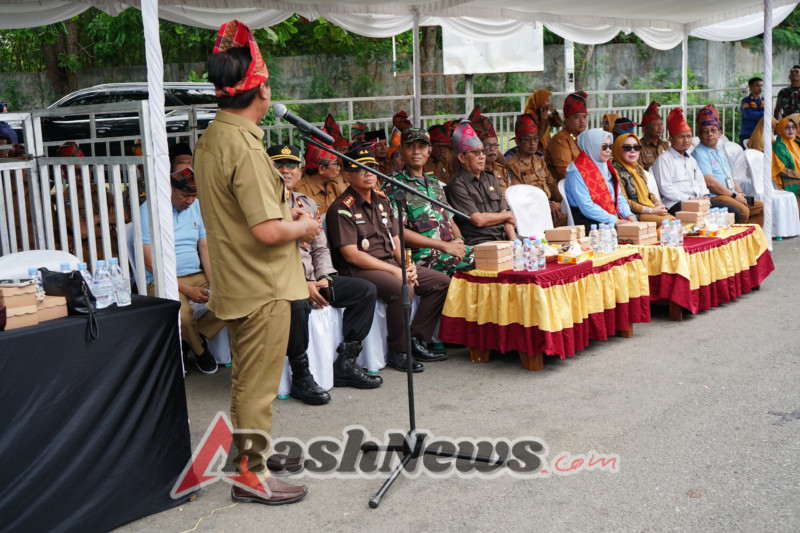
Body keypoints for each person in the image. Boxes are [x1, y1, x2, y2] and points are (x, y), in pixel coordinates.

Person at [193, 19, 321, 505]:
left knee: (248, 379)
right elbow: (267, 232)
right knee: (259, 386)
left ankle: (251, 456)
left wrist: (281, 214)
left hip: (238, 279)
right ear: (261, 90)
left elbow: (239, 212)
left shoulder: (213, 138)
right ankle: (251, 475)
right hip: (263, 283)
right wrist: (304, 227)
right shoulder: (245, 145)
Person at [268, 143, 382, 404]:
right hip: (283, 283)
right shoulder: (265, 208)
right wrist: (301, 283)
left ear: (300, 173)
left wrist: (325, 277)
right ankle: (301, 375)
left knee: (365, 291)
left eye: (291, 165)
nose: (285, 170)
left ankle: (346, 363)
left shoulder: (306, 203)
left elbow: (320, 248)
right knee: (297, 306)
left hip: (313, 278)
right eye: (278, 164)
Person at [326, 145, 451, 373]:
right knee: (402, 287)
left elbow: (395, 241)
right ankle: (398, 351)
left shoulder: (382, 200)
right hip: (360, 270)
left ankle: (415, 339)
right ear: (347, 175)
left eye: (371, 168)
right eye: (360, 169)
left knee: (440, 283)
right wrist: (396, 272)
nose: (368, 173)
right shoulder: (341, 208)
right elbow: (351, 255)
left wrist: (407, 265)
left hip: (390, 264)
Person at [140, 163, 222, 374]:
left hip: (197, 274)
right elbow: (150, 263)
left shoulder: (196, 206)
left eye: (194, 195)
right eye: (186, 195)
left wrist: (215, 283)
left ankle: (194, 335)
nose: (190, 200)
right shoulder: (149, 211)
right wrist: (188, 290)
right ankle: (201, 351)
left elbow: (205, 249)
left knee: (234, 296)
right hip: (162, 279)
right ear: (170, 188)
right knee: (183, 315)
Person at [382, 128, 474, 276]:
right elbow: (398, 232)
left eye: (422, 147)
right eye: (410, 146)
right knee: (472, 267)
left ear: (429, 151)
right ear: (401, 150)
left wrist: (458, 240)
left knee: (492, 258)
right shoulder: (394, 187)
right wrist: (444, 246)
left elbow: (449, 218)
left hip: (450, 249)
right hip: (423, 256)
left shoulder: (434, 183)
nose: (416, 151)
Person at [445, 121, 517, 245]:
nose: (482, 156)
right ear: (462, 158)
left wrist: (514, 243)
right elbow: (477, 219)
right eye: (476, 152)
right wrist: (508, 215)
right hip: (480, 242)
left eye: (483, 151)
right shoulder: (457, 184)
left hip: (503, 239)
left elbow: (505, 215)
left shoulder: (489, 177)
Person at [692, 105, 764, 226]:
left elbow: (731, 176)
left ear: (720, 133)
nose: (710, 134)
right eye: (705, 131)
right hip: (716, 196)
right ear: (699, 136)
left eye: (713, 130)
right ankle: (738, 239)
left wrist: (740, 192)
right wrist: (735, 196)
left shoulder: (719, 151)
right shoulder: (699, 153)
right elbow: (710, 183)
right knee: (743, 211)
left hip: (731, 194)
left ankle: (748, 239)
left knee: (762, 207)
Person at [57, 141, 127, 263]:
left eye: (84, 169)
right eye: (76, 172)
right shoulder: (67, 198)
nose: (82, 175)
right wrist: (111, 226)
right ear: (66, 177)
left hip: (115, 244)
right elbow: (82, 232)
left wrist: (98, 219)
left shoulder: (98, 189)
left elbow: (125, 215)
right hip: (91, 250)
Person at [564, 128, 637, 232]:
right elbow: (587, 206)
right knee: (624, 233)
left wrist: (629, 215)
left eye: (610, 146)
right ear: (592, 146)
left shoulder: (605, 166)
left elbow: (618, 196)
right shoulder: (576, 171)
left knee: (637, 227)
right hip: (587, 220)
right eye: (604, 147)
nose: (608, 150)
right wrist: (614, 220)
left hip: (611, 216)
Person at [505, 113, 567, 226]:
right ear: (518, 142)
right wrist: (546, 204)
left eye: (535, 139)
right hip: (530, 212)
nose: (532, 143)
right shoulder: (512, 165)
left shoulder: (539, 160)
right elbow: (520, 196)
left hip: (550, 208)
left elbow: (552, 185)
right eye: (527, 139)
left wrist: (566, 200)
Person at [651, 108, 710, 215]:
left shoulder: (691, 160)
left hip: (697, 201)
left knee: (732, 211)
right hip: (676, 203)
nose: (686, 140)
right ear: (671, 139)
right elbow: (666, 188)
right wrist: (689, 199)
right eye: (681, 137)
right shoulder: (664, 159)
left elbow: (701, 182)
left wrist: (705, 195)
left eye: (689, 136)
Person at [611, 131, 673, 225]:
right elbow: (625, 201)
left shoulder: (638, 168)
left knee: (674, 222)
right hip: (635, 214)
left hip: (650, 209)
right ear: (618, 149)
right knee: (670, 224)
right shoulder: (615, 171)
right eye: (627, 147)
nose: (633, 151)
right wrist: (652, 210)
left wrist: (658, 204)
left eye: (636, 147)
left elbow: (647, 193)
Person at [545, 91, 588, 182]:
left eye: (584, 117)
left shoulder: (584, 137)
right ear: (567, 120)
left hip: (584, 182)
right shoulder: (560, 140)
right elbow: (565, 173)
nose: (582, 121)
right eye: (577, 117)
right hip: (566, 188)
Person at [468, 107, 510, 196]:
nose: (492, 149)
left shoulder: (502, 170)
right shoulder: (475, 172)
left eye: (495, 145)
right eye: (488, 145)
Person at [294, 142, 345, 213]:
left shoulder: (333, 187)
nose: (339, 168)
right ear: (321, 169)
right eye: (336, 164)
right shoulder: (299, 191)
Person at [770, 115, 800, 207]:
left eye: (793, 127)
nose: (791, 130)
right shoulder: (778, 146)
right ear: (781, 129)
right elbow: (781, 170)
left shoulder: (795, 143)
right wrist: (798, 175)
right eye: (787, 127)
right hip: (788, 179)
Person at [639, 101, 670, 171]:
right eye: (656, 125)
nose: (660, 128)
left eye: (661, 124)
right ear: (645, 128)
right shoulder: (639, 147)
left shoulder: (665, 145)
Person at [739, 77, 764, 148]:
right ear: (750, 87)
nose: (760, 87)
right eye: (757, 85)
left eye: (761, 85)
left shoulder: (764, 100)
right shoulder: (745, 101)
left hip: (761, 133)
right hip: (748, 133)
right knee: (746, 155)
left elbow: (769, 115)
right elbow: (748, 114)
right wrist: (764, 114)